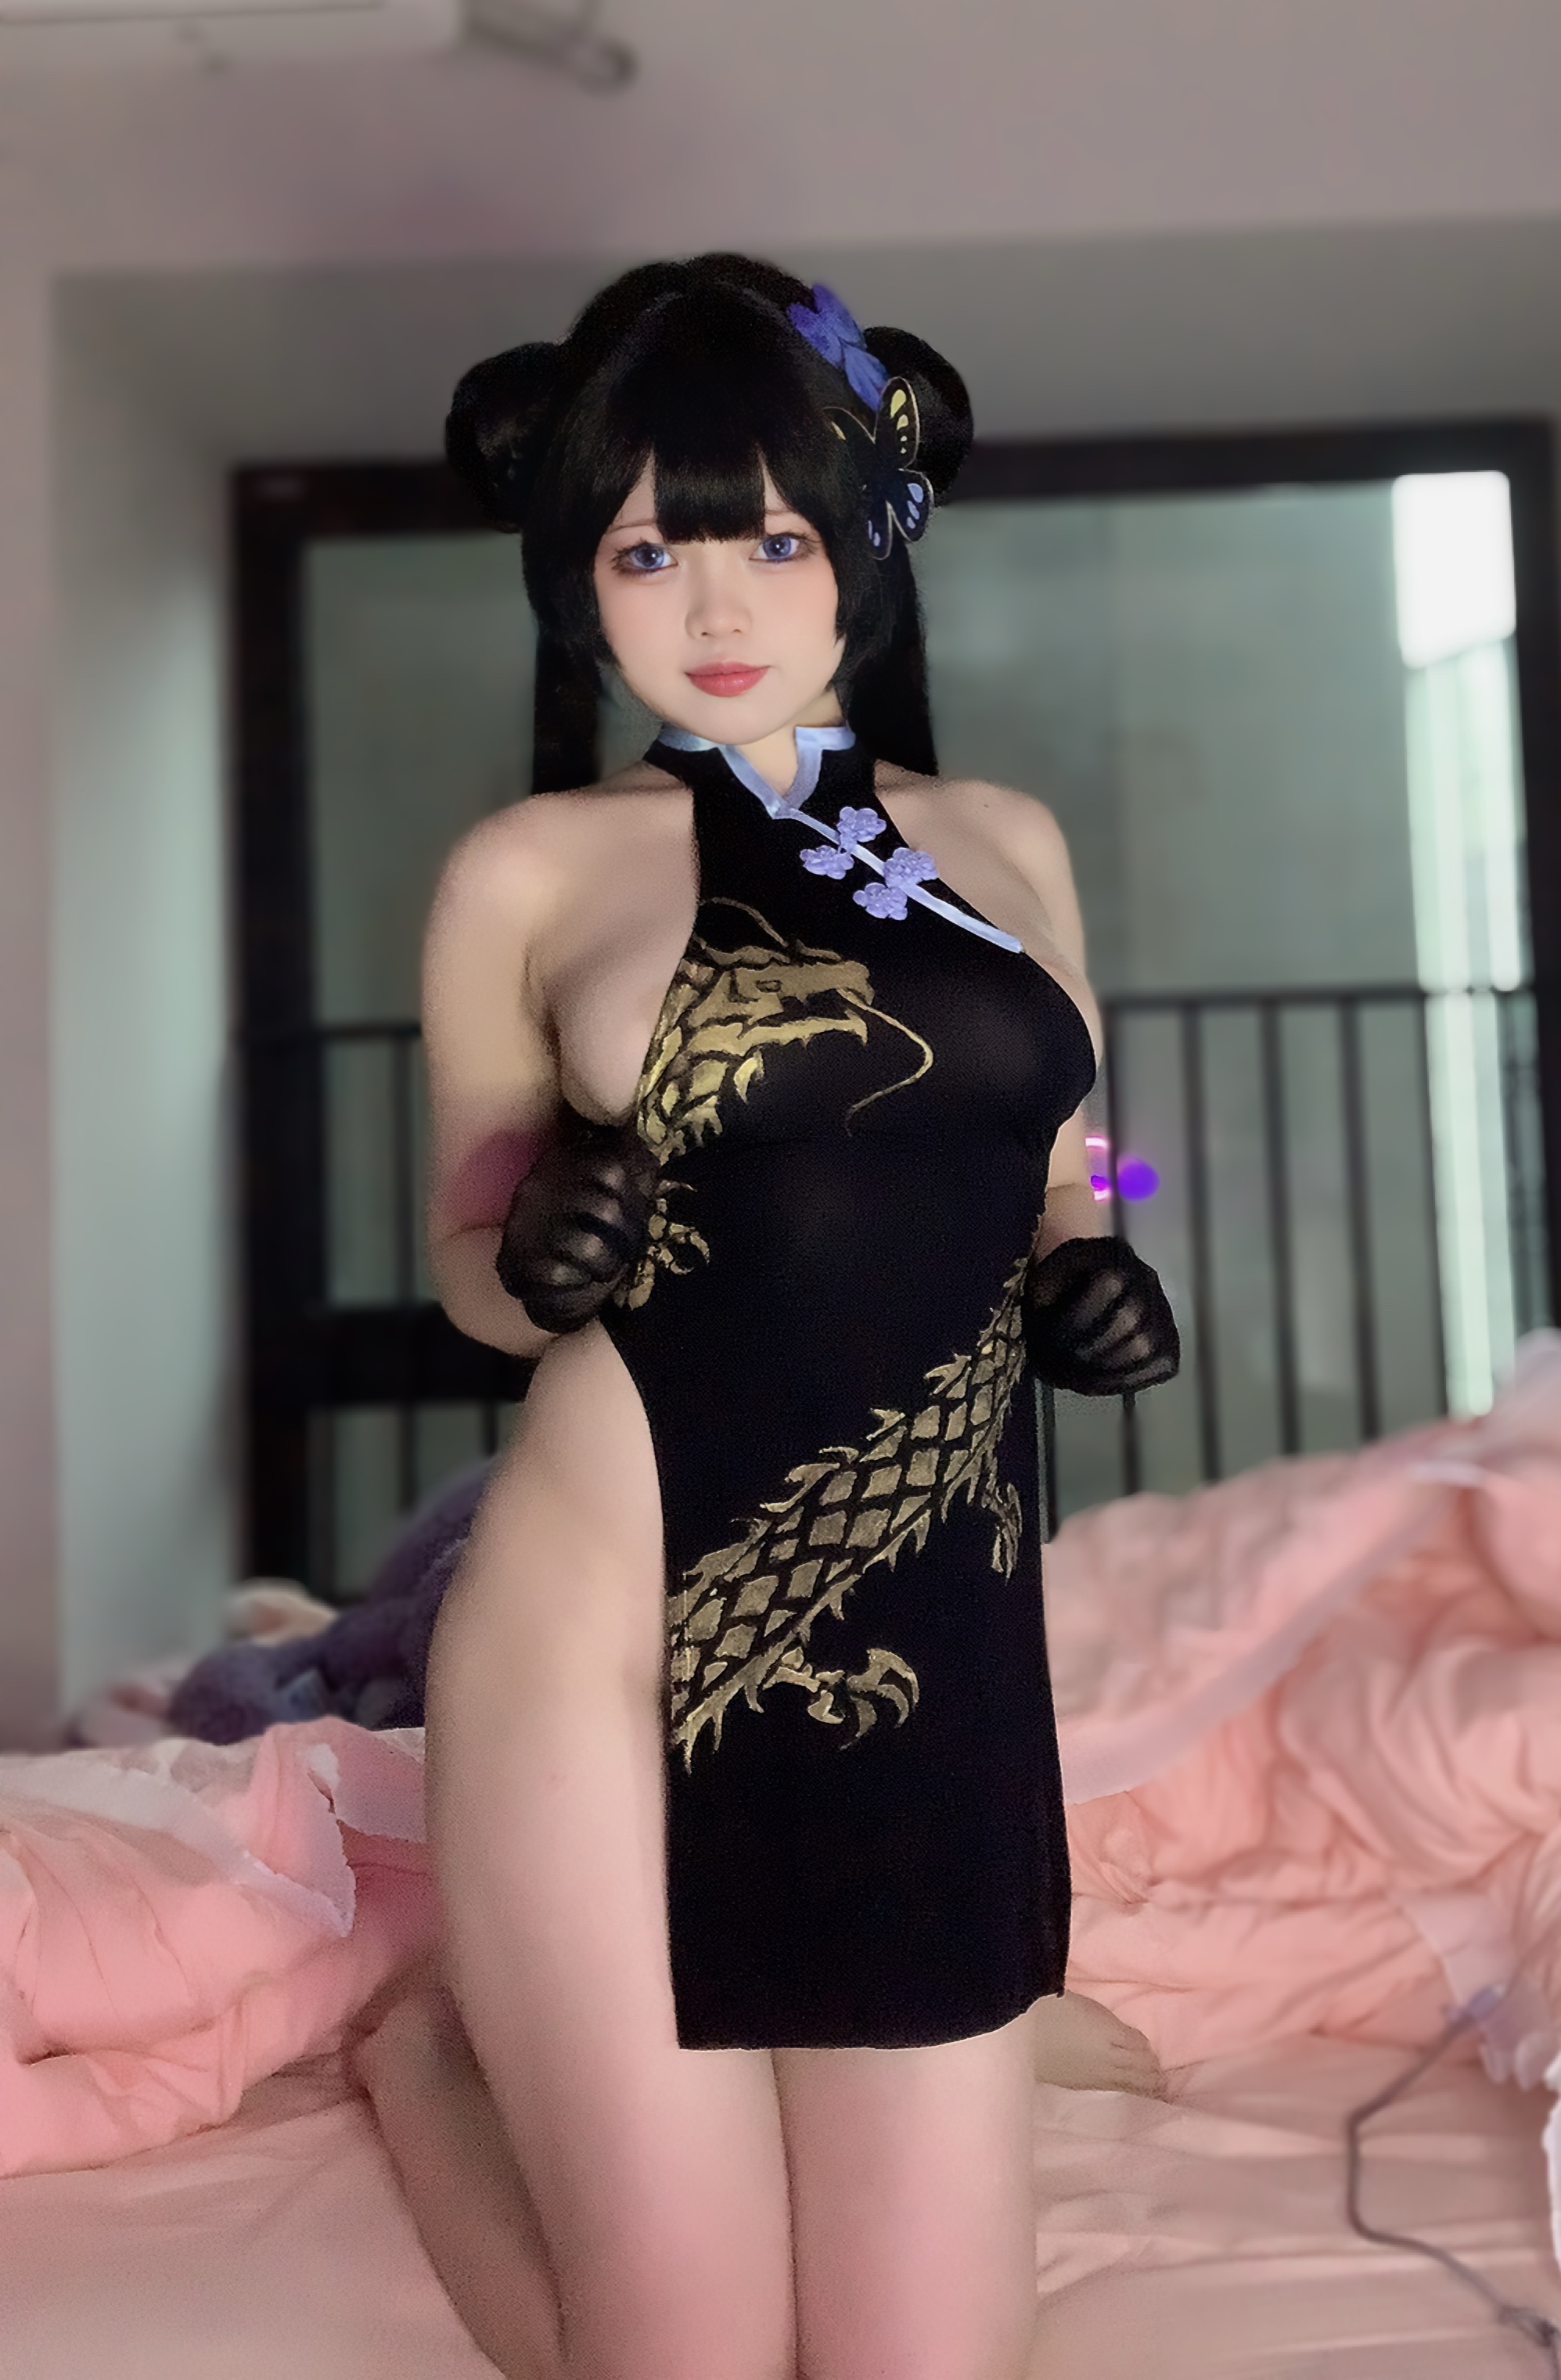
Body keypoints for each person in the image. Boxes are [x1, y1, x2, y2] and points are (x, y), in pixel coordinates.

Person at [350, 253, 1179, 2380]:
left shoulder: (1001, 842)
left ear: (867, 544)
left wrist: (1100, 1248)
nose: (714, 605)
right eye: (647, 551)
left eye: (775, 541)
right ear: (576, 574)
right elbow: (467, 1260)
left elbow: (1085, 1155)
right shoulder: (531, 867)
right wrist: (532, 1248)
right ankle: (422, 2068)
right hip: (603, 1649)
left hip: (930, 1656)